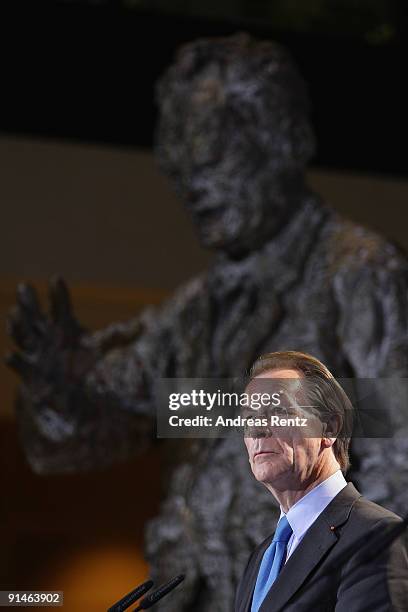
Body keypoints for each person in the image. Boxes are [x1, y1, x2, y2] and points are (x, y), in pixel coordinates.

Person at [7, 33, 408, 610]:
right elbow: (89, 434)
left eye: (214, 156)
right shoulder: (194, 310)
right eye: (179, 166)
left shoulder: (360, 272)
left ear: (284, 142)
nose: (194, 186)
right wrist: (61, 390)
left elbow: (398, 467)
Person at [236, 350, 408, 612]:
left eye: (279, 412)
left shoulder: (375, 536)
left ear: (329, 428)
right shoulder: (261, 558)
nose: (258, 429)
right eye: (249, 419)